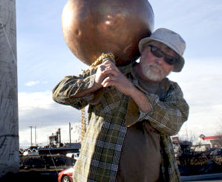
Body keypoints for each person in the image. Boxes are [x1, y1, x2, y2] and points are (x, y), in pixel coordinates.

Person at [53, 28, 189, 182]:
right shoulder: (112, 71)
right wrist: (94, 83)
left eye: (169, 59)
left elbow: (174, 123)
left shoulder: (171, 90)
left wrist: (132, 91)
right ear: (143, 50)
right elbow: (59, 93)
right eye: (157, 51)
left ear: (172, 66)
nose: (160, 61)